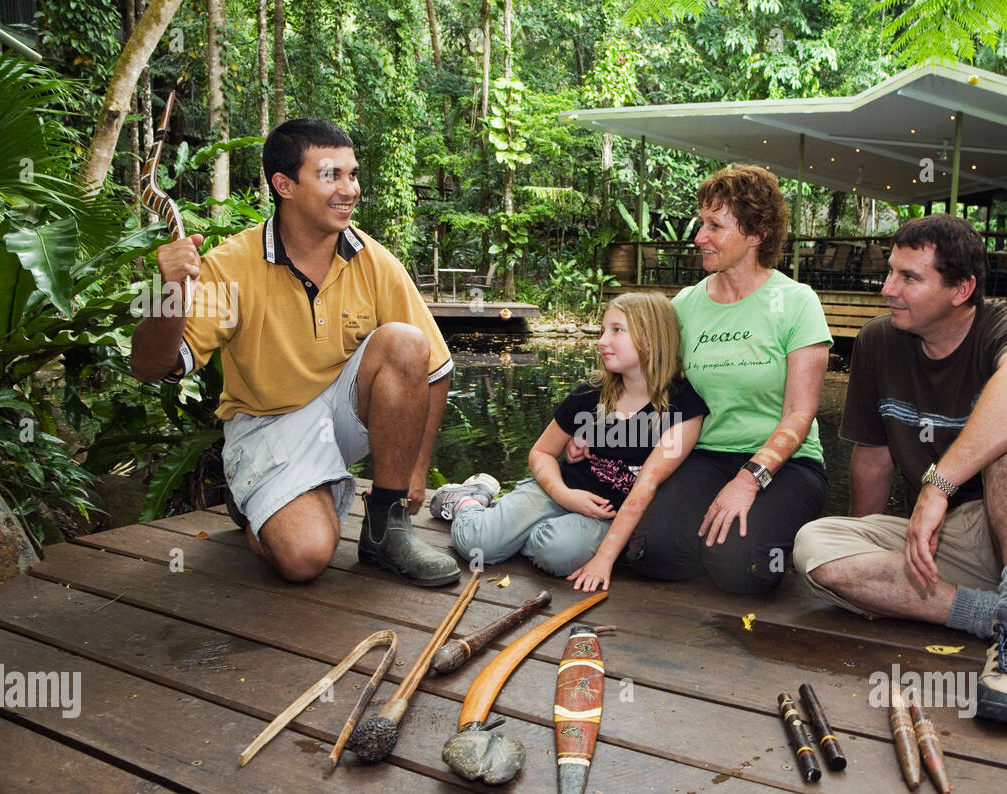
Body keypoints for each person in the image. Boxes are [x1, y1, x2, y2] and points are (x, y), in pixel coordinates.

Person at [793, 214, 1007, 729]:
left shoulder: (1004, 324)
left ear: (962, 288)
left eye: (909, 278)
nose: (887, 289)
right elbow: (873, 459)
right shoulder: (879, 342)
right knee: (814, 547)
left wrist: (937, 485)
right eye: (890, 272)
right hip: (962, 545)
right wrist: (865, 551)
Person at [131, 118, 459, 587]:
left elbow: (436, 369)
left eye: (353, 174)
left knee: (406, 342)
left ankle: (386, 527)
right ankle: (257, 505)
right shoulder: (230, 264)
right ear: (283, 184)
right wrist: (170, 293)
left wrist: (416, 471)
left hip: (341, 417)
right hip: (269, 424)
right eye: (332, 175)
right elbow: (150, 367)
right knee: (305, 560)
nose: (350, 189)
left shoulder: (373, 258)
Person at [609, 165, 832, 594]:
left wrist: (748, 480)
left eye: (715, 225)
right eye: (701, 223)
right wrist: (597, 431)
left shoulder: (797, 302)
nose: (699, 237)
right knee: (646, 551)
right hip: (705, 455)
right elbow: (648, 385)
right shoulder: (686, 306)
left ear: (756, 233)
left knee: (741, 568)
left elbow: (800, 414)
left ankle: (754, 542)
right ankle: (717, 544)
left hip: (786, 464)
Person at [430, 293, 707, 590]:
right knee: (478, 544)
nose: (601, 340)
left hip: (606, 515)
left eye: (616, 330)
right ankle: (468, 500)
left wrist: (604, 559)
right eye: (603, 330)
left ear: (651, 339)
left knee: (557, 555)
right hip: (557, 490)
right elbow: (542, 452)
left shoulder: (682, 407)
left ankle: (515, 530)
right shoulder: (590, 393)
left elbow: (646, 486)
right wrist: (564, 495)